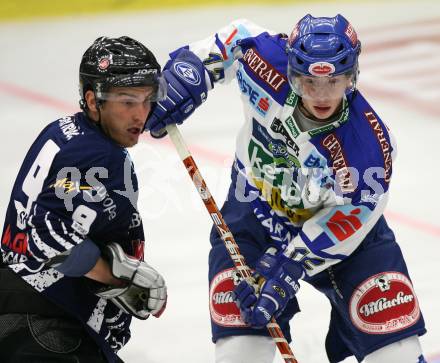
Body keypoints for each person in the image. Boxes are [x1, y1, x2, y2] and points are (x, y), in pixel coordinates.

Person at [146, 14, 427, 363]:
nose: (321, 95)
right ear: (292, 70)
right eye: (309, 82)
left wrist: (290, 264)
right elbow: (237, 34)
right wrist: (191, 70)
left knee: (396, 356)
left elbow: (356, 214)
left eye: (334, 81)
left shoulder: (368, 146)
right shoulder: (267, 62)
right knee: (239, 354)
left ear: (352, 77)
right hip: (254, 214)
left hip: (342, 240)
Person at [0, 36, 167, 362]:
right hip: (48, 329)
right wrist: (116, 276)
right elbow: (54, 240)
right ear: (93, 101)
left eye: (148, 100)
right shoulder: (102, 157)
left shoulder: (63, 130)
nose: (141, 115)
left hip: (23, 317)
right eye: (128, 101)